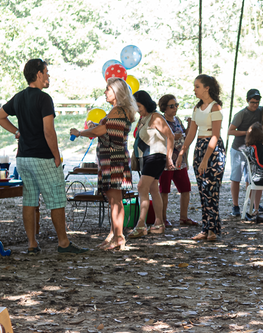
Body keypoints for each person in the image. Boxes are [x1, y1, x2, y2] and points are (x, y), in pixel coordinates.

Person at [0, 59, 87, 255]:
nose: (48, 76)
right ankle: (63, 243)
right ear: (38, 74)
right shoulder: (44, 99)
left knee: (30, 200)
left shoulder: (18, 97)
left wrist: (16, 132)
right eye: (46, 72)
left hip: (23, 158)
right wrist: (56, 156)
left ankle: (32, 244)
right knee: (56, 199)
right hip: (43, 157)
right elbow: (49, 132)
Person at [69, 77, 136, 251]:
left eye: (108, 89)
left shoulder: (118, 111)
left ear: (117, 92)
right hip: (114, 159)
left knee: (115, 201)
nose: (105, 92)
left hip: (114, 160)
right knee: (114, 200)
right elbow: (106, 129)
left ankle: (119, 237)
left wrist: (80, 132)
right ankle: (112, 234)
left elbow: (101, 131)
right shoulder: (119, 111)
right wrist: (96, 125)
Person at [180, 74, 225, 241]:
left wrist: (206, 159)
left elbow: (215, 135)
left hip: (213, 150)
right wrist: (182, 152)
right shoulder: (196, 108)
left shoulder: (215, 108)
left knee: (211, 191)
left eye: (197, 86)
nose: (194, 89)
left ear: (207, 88)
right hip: (199, 148)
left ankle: (213, 229)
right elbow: (191, 133)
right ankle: (206, 228)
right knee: (202, 190)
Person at [129, 90, 174, 237]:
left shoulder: (156, 117)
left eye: (139, 106)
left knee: (142, 187)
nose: (137, 109)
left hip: (155, 156)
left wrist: (169, 158)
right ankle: (159, 223)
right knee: (154, 189)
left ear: (146, 103)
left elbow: (171, 136)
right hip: (145, 158)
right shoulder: (143, 118)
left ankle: (141, 224)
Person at [158, 94, 196, 227]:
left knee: (185, 188)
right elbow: (159, 138)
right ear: (164, 107)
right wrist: (173, 137)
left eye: (176, 105)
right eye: (172, 106)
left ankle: (183, 217)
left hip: (180, 160)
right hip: (166, 161)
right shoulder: (161, 120)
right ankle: (163, 218)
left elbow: (185, 134)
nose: (175, 108)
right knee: (164, 190)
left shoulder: (177, 120)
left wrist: (189, 126)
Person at [227, 89, 263, 217]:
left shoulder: (260, 111)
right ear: (248, 101)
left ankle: (253, 204)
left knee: (251, 178)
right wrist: (247, 132)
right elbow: (230, 131)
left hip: (252, 151)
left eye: (257, 102)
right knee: (236, 178)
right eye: (252, 102)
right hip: (238, 149)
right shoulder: (241, 114)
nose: (255, 104)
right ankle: (235, 206)